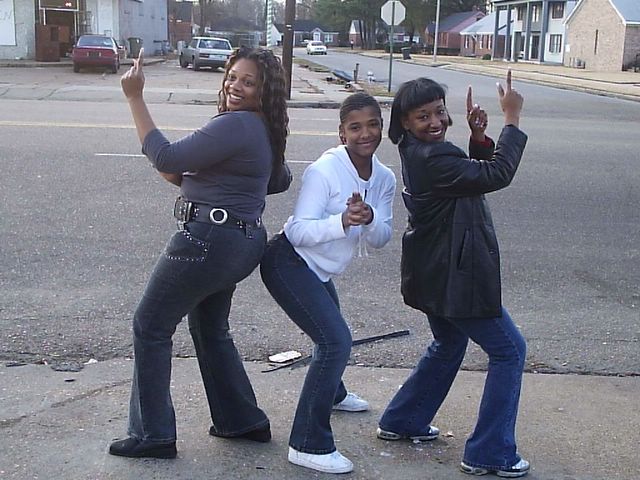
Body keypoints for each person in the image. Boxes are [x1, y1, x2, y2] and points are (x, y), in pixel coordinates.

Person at [108, 46, 289, 459]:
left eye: (249, 82)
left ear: (265, 91)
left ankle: (153, 434)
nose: (235, 86)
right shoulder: (264, 127)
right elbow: (276, 179)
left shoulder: (237, 124)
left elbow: (167, 157)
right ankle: (241, 420)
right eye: (233, 77)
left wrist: (135, 97)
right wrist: (204, 180)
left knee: (150, 325)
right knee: (209, 327)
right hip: (238, 241)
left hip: (207, 240)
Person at [377, 71, 530, 478]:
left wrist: (479, 138)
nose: (435, 121)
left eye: (439, 112)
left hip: (435, 272)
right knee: (510, 350)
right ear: (404, 122)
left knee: (449, 343)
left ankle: (403, 419)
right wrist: (511, 119)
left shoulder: (420, 151)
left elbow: (470, 176)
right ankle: (490, 452)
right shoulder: (434, 157)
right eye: (422, 116)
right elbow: (496, 175)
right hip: (455, 277)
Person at [260, 92, 396, 474]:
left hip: (318, 270)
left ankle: (333, 393)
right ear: (342, 134)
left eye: (373, 125)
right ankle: (307, 443)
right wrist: (343, 221)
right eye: (355, 127)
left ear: (381, 127)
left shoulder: (385, 178)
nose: (365, 134)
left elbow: (382, 238)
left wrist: (370, 217)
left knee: (332, 338)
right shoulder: (324, 170)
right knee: (335, 341)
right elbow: (299, 231)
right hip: (287, 262)